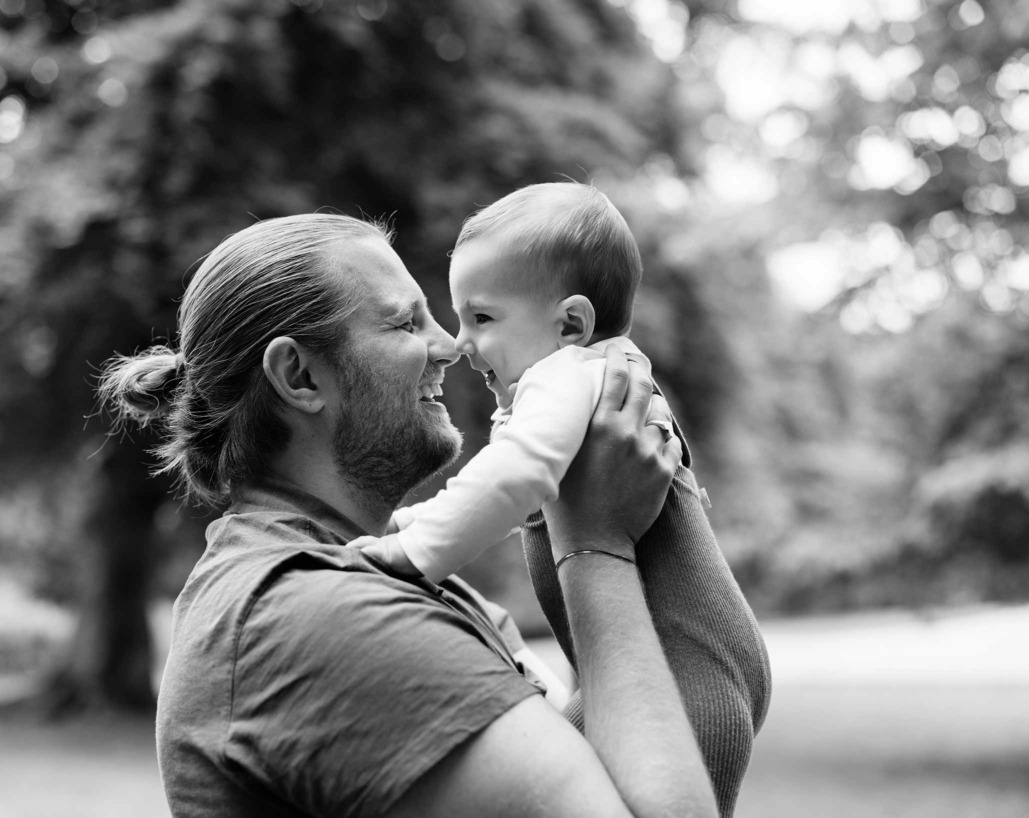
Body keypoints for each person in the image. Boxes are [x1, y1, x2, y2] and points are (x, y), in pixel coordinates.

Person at [101, 213, 727, 818]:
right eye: (406, 323)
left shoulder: (417, 586)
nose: (451, 346)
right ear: (299, 375)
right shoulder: (316, 617)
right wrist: (596, 543)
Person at [353, 183, 771, 816]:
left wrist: (410, 552)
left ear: (570, 324)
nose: (461, 343)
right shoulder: (597, 378)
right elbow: (501, 493)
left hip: (685, 673)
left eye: (482, 318)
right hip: (692, 659)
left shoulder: (567, 376)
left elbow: (512, 477)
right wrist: (410, 523)